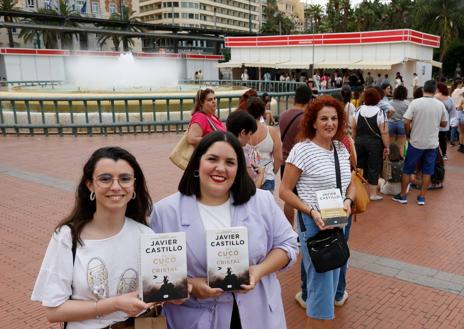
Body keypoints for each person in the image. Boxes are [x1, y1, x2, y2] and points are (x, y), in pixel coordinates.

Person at [150, 131, 298, 329]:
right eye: (212, 159)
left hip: (257, 313)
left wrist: (259, 271)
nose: (221, 168)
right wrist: (193, 287)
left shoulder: (261, 201)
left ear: (238, 169)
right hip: (197, 317)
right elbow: (155, 275)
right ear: (197, 163)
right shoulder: (165, 212)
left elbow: (287, 245)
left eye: (230, 162)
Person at [31, 147, 155, 328]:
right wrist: (114, 304)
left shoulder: (145, 235)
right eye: (105, 179)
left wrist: (176, 293)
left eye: (125, 178)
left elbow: (155, 294)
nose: (115, 186)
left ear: (134, 184)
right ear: (90, 184)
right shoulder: (68, 237)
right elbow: (54, 311)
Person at [279, 96, 355, 329]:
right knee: (321, 291)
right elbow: (284, 191)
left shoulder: (341, 147)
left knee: (330, 286)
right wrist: (311, 211)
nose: (329, 123)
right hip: (314, 225)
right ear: (313, 122)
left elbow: (351, 181)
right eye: (324, 119)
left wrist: (349, 200)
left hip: (338, 221)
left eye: (334, 118)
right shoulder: (302, 150)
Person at [392, 80, 448, 206]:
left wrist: (408, 133)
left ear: (423, 90)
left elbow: (406, 121)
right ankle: (422, 197)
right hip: (432, 143)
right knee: (428, 171)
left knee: (408, 169)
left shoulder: (415, 103)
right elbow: (444, 123)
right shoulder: (440, 105)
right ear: (435, 91)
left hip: (416, 142)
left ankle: (403, 196)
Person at [279, 85, 312, 224]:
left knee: (289, 200)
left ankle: (289, 229)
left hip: (285, 162)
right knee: (304, 200)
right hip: (302, 164)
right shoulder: (306, 119)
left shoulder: (283, 115)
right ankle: (302, 230)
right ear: (309, 99)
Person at [352, 87, 390, 201]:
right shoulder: (380, 112)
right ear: (378, 98)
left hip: (359, 141)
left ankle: (357, 191)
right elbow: (384, 132)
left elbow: (353, 128)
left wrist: (353, 142)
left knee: (358, 167)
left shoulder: (358, 110)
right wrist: (387, 146)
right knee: (374, 167)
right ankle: (372, 194)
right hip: (375, 144)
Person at [244, 97, 282, 193]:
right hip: (267, 175)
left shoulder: (241, 132)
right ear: (263, 111)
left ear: (247, 111)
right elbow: (279, 158)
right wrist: (272, 173)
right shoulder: (272, 131)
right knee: (265, 206)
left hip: (246, 177)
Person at [226, 110, 264, 188]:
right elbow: (251, 191)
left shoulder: (221, 149)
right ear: (243, 133)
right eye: (250, 134)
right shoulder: (240, 156)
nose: (250, 138)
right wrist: (261, 175)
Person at [388, 85, 409, 156]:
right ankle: (401, 163)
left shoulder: (390, 102)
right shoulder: (407, 103)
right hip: (402, 125)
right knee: (401, 146)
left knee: (391, 146)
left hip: (390, 124)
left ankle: (390, 163)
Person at [435, 82, 453, 160]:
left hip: (436, 120)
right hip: (446, 120)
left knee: (435, 138)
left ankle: (436, 154)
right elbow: (452, 111)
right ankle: (444, 154)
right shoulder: (449, 99)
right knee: (443, 138)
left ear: (438, 89)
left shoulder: (435, 97)